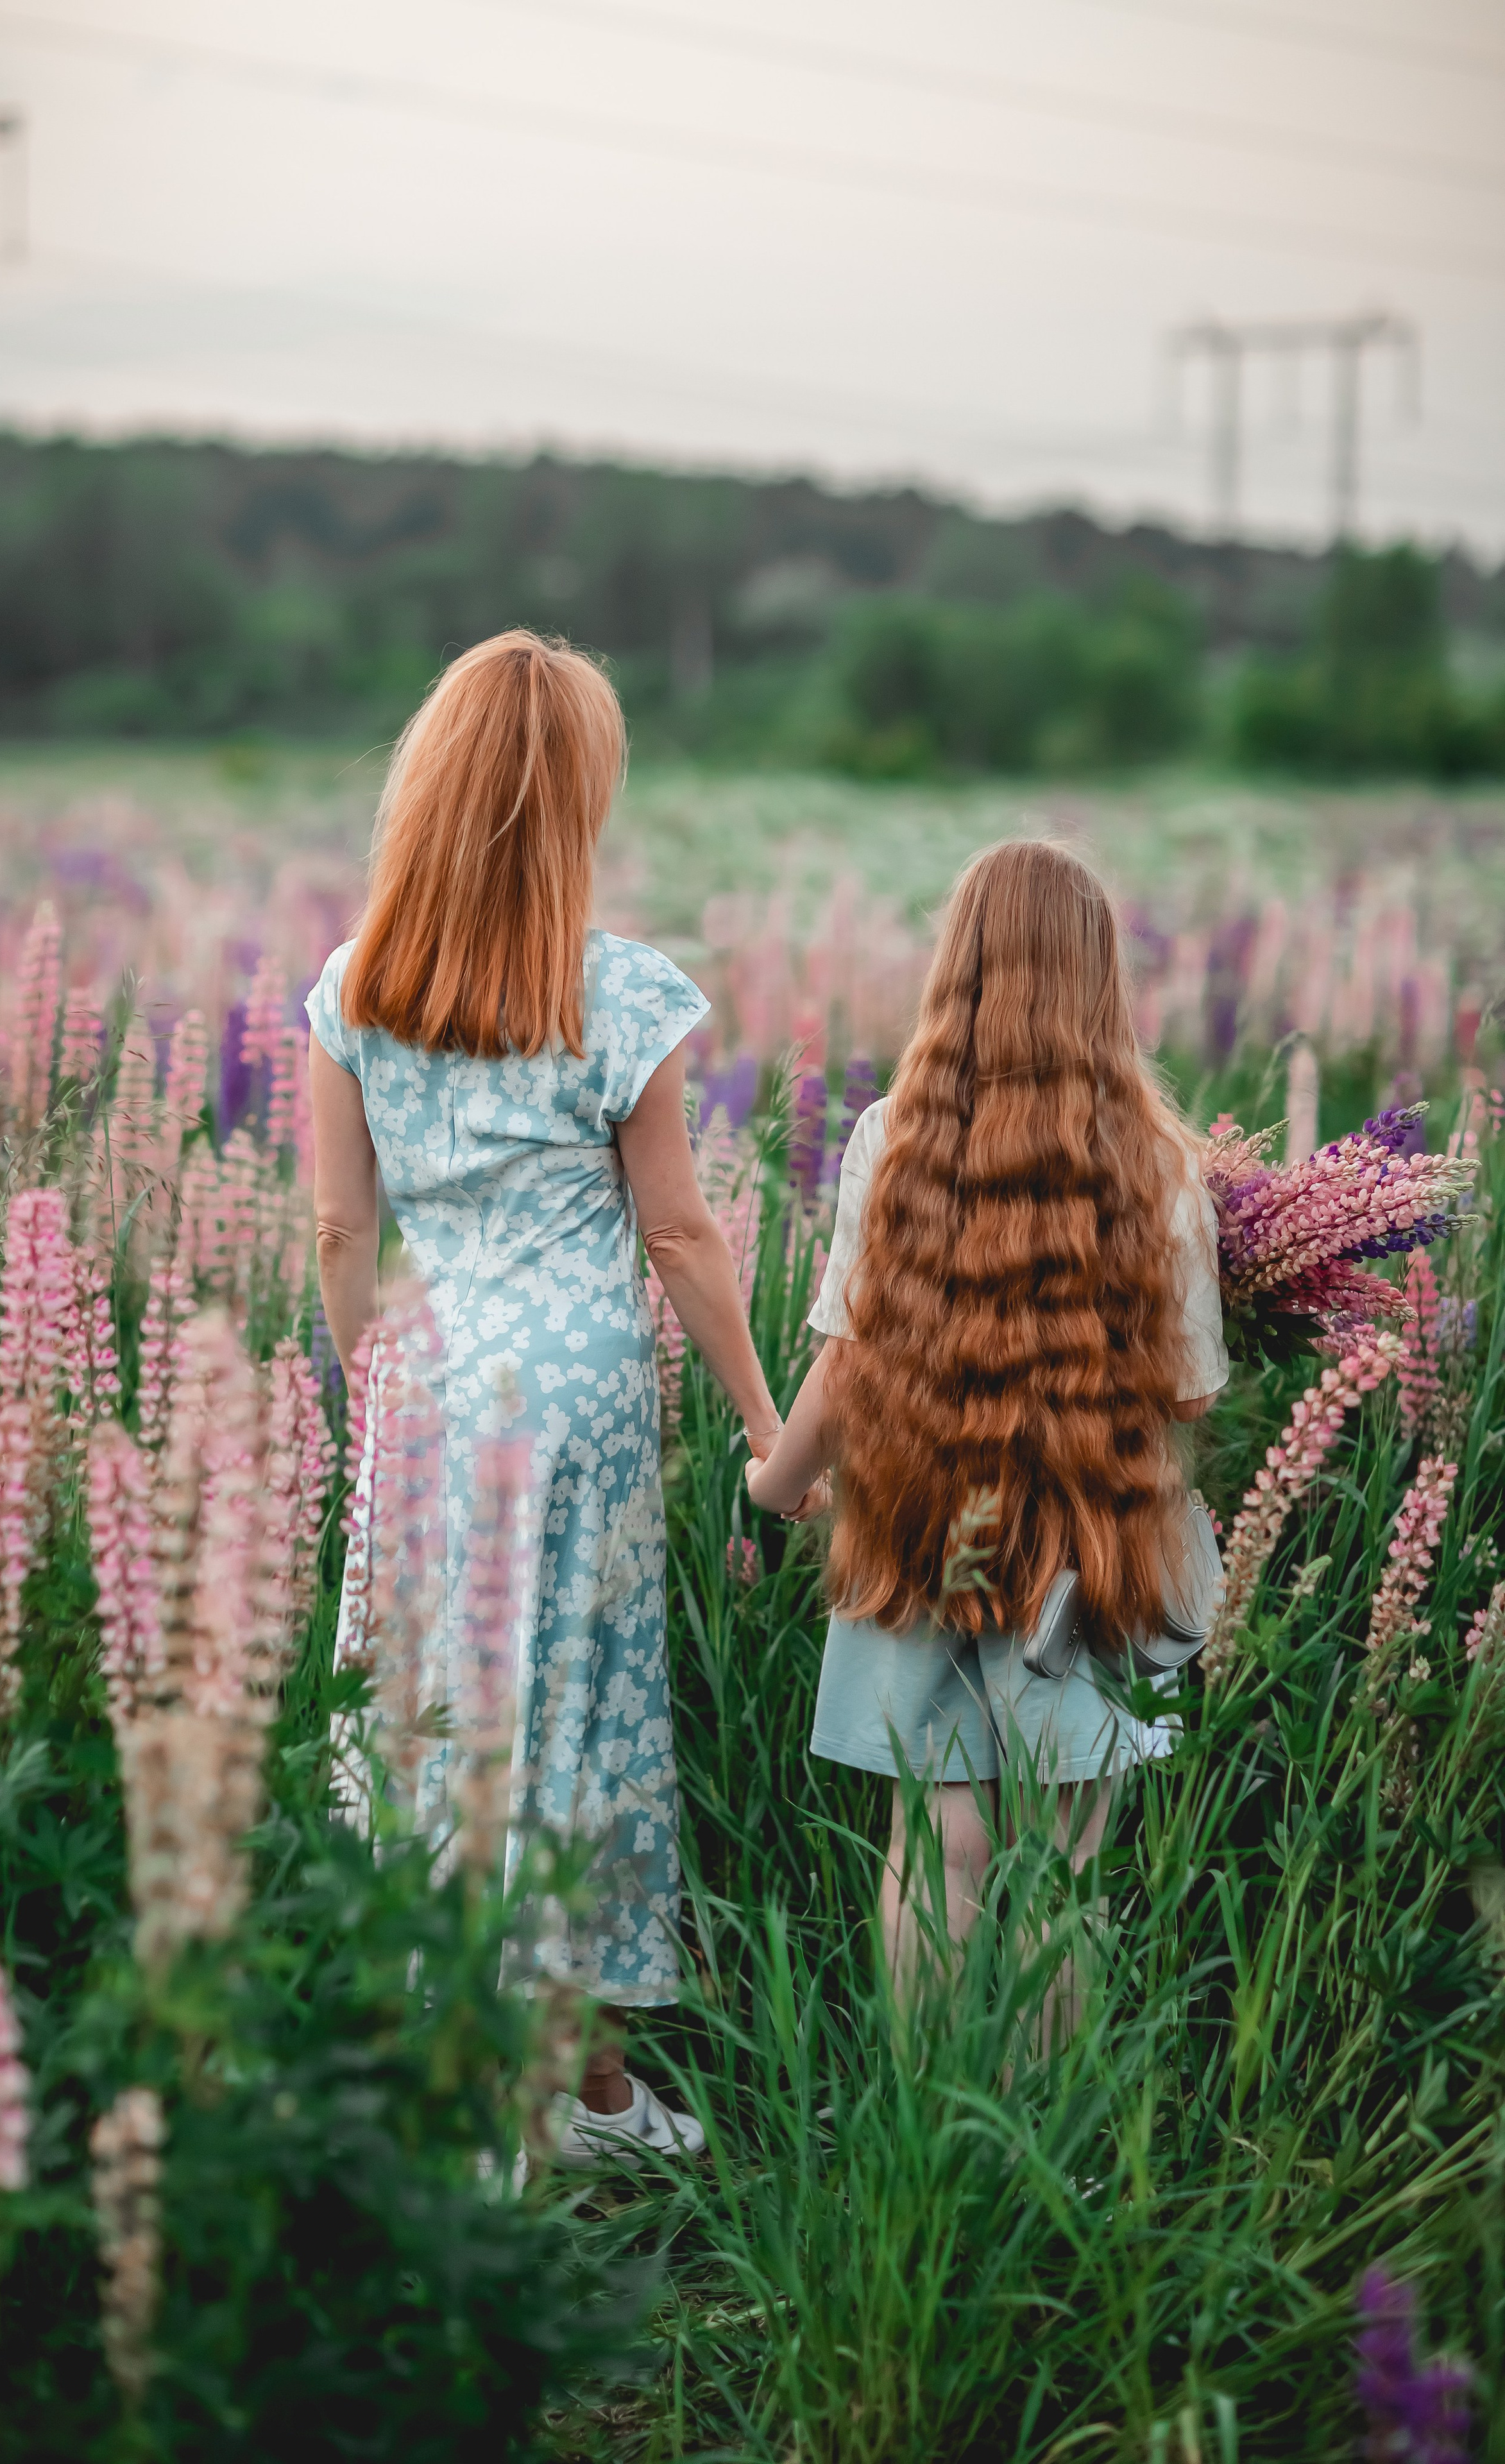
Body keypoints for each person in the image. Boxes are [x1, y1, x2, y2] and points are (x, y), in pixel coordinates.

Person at [307, 631, 783, 2160]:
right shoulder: (617, 989)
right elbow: (679, 1233)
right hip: (577, 1392)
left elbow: (338, 1231)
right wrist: (772, 1429)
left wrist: (368, 1395)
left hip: (426, 1383)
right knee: (576, 1718)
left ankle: (449, 2077)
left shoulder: (353, 985)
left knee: (432, 1714)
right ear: (575, 797)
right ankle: (574, 2094)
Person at [746, 839, 1228, 1979]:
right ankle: (1056, 2147)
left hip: (922, 1528)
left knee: (939, 1844)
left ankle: (928, 2139)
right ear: (1100, 979)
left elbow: (851, 1361)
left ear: (954, 970)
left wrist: (773, 1478)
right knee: (1063, 1856)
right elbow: (1191, 1395)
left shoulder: (893, 1138)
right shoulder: (1160, 1167)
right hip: (1090, 1549)